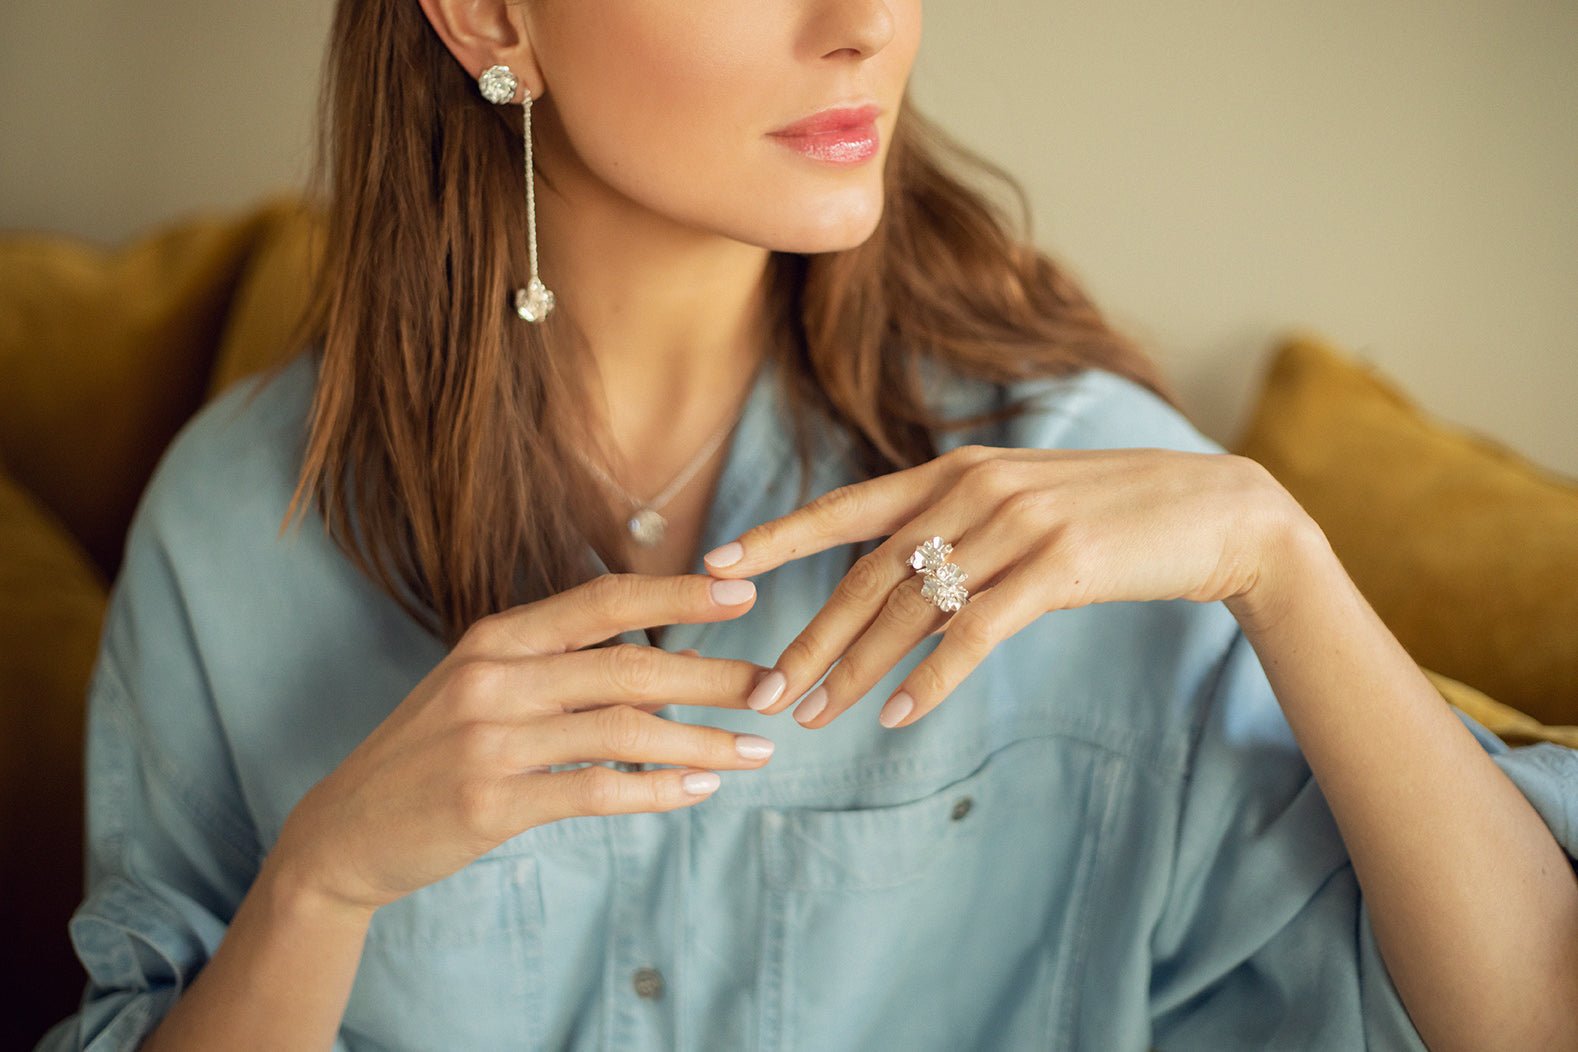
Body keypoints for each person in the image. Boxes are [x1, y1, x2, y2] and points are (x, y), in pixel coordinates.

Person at [36, 1, 1578, 1050]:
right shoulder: (242, 524)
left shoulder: (1076, 498)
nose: (860, 21)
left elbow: (1531, 1017)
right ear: (489, 16)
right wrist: (324, 883)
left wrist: (1279, 555)